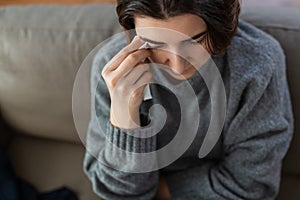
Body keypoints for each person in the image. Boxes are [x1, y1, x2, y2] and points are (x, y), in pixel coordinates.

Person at [83, 0, 294, 199]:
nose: (177, 65)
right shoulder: (113, 71)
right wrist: (124, 114)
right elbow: (117, 192)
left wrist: (157, 190)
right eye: (155, 44)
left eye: (195, 41)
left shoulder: (256, 64)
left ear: (217, 26)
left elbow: (251, 187)